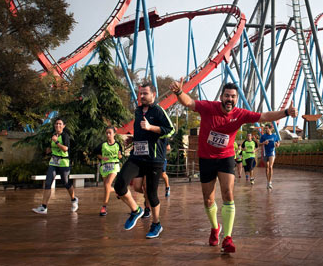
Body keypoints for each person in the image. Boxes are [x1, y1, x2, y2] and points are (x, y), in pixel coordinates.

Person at [169, 80, 297, 253]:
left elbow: (264, 116)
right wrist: (179, 92)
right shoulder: (208, 107)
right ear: (221, 96)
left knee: (228, 194)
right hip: (206, 158)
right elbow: (189, 102)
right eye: (227, 96)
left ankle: (227, 238)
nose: (230, 99)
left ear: (237, 99)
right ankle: (215, 228)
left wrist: (286, 112)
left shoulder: (241, 114)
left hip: (226, 157)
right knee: (208, 199)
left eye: (233, 96)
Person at [114, 82, 174, 239]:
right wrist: (133, 139)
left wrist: (151, 127)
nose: (141, 96)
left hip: (154, 159)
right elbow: (141, 131)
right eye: (140, 93)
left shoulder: (158, 111)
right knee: (120, 184)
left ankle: (156, 224)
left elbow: (171, 129)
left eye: (145, 94)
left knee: (152, 194)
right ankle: (136, 210)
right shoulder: (138, 111)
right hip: (138, 155)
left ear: (153, 95)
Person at [32, 117, 78, 214]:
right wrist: (48, 151)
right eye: (56, 123)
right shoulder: (53, 135)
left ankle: (73, 199)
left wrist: (56, 142)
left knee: (65, 182)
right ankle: (44, 207)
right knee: (48, 182)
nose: (58, 125)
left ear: (63, 126)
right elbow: (51, 148)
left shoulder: (65, 136)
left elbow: (65, 149)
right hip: (53, 162)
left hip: (64, 163)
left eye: (60, 124)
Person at [93, 127, 123, 216]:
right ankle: (117, 191)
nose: (108, 135)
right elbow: (97, 153)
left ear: (114, 134)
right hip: (104, 167)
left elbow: (120, 155)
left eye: (110, 133)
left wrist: (119, 155)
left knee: (107, 184)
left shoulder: (117, 144)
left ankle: (104, 207)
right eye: (107, 133)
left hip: (114, 165)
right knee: (107, 187)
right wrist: (102, 158)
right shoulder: (103, 144)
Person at [259, 123, 280, 189]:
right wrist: (263, 143)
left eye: (267, 128)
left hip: (272, 153)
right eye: (265, 129)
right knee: (267, 168)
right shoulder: (263, 136)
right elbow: (259, 144)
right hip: (265, 153)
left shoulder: (274, 136)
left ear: (270, 129)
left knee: (270, 167)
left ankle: (270, 182)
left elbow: (278, 143)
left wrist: (277, 145)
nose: (266, 130)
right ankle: (268, 181)